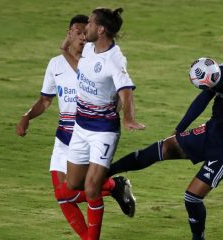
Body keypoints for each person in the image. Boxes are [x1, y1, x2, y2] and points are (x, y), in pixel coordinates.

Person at [107, 26, 223, 240]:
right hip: (207, 134)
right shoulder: (220, 71)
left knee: (192, 198)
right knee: (163, 146)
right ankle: (108, 172)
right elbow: (202, 101)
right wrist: (180, 128)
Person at [16, 14, 135, 240]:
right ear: (69, 33)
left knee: (78, 191)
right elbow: (45, 100)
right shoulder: (56, 64)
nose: (82, 37)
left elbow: (122, 91)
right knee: (63, 197)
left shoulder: (96, 60)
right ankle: (112, 186)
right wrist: (27, 116)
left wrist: (119, 112)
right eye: (78, 32)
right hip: (64, 139)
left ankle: (108, 188)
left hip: (90, 135)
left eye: (85, 32)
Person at [61, 7, 145, 240]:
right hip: (81, 126)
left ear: (100, 29)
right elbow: (80, 64)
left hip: (103, 132)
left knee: (90, 189)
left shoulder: (114, 59)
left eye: (89, 23)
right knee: (74, 183)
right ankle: (116, 186)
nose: (84, 27)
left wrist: (128, 118)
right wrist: (65, 46)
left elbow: (126, 91)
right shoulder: (88, 48)